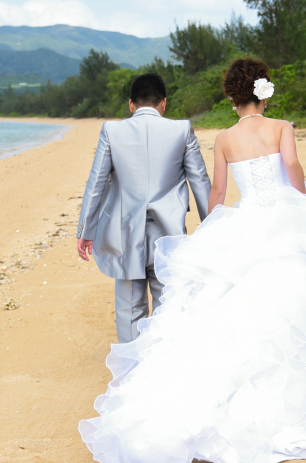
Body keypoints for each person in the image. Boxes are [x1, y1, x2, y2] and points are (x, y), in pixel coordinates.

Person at [79, 57, 306, 463]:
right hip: (282, 220)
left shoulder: (223, 139)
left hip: (237, 221)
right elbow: (292, 168)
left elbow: (216, 190)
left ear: (231, 97)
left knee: (206, 303)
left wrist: (212, 230)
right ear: (264, 92)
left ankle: (154, 379)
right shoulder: (281, 127)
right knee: (291, 293)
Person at [76, 72, 211, 343]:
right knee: (168, 304)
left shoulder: (111, 131)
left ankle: (131, 370)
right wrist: (213, 227)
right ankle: (161, 368)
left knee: (129, 308)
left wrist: (85, 230)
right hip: (168, 233)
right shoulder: (181, 129)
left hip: (123, 233)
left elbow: (96, 184)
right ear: (163, 103)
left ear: (131, 104)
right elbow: (200, 182)